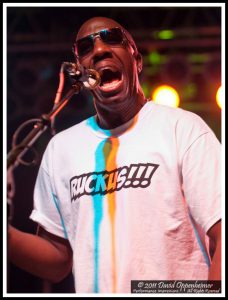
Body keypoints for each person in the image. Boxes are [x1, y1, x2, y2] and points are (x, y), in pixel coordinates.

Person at [8, 16, 221, 294]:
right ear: (79, 73)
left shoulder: (182, 129)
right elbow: (56, 261)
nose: (99, 51)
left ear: (137, 61)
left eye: (112, 39)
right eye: (85, 47)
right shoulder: (62, 149)